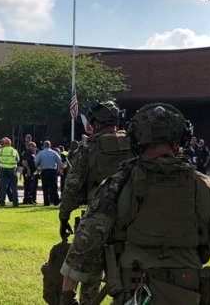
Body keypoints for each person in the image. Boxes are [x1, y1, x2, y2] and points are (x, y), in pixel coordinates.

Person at [59, 103, 210, 305]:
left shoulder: (118, 184)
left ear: (137, 139)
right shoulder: (205, 186)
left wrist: (67, 296)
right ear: (180, 140)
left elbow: (85, 244)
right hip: (190, 292)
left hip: (136, 293)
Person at [58, 100, 133, 304]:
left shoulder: (90, 148)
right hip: (134, 220)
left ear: (95, 122)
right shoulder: (135, 144)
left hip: (98, 218)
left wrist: (64, 217)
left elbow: (72, 187)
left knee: (88, 273)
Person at [35, 141, 63, 206]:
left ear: (44, 145)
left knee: (45, 187)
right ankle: (56, 201)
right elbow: (59, 162)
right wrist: (59, 170)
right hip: (53, 171)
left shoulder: (40, 153)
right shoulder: (54, 153)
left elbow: (36, 162)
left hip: (44, 171)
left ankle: (46, 202)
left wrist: (38, 169)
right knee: (54, 187)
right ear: (50, 145)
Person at [0, 137, 19, 207]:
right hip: (12, 170)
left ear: (4, 144)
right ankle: (15, 203)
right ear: (10, 143)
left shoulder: (0, 151)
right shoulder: (14, 151)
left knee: (3, 187)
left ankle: (2, 202)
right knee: (14, 187)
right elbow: (18, 160)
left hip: (3, 170)